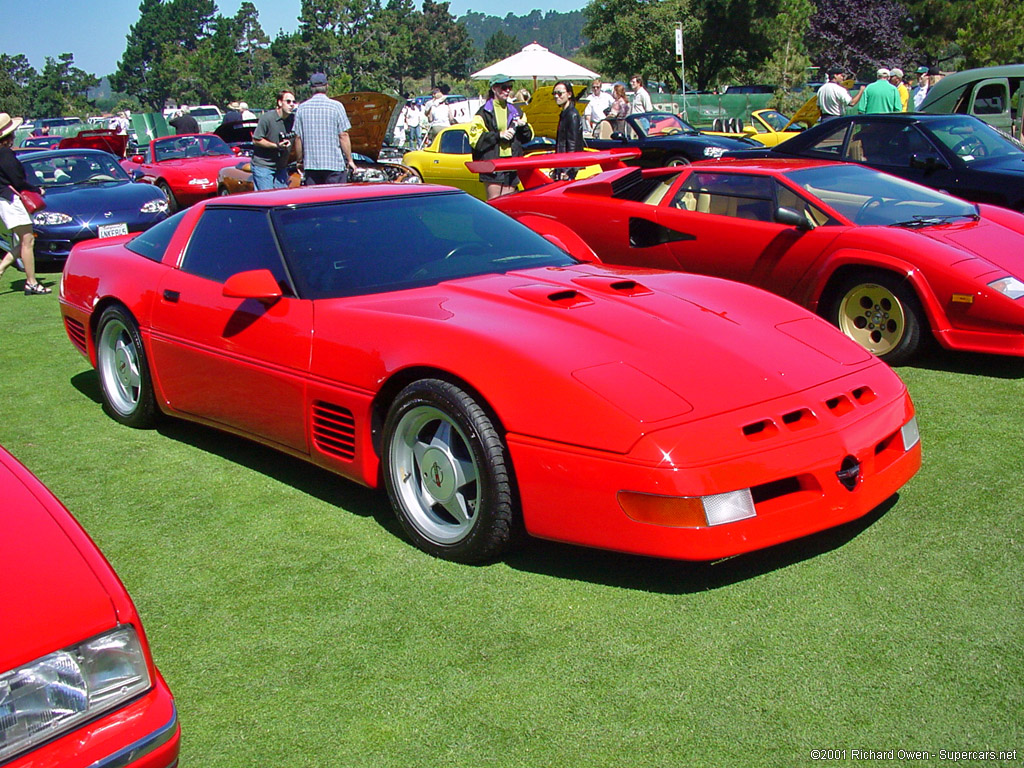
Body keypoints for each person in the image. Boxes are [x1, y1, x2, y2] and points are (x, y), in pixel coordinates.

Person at [0, 113, 50, 294]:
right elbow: (18, 180)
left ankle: (2, 268)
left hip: (5, 200)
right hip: (12, 200)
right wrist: (37, 189)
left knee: (24, 241)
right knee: (27, 241)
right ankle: (32, 282)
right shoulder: (5, 154)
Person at [468, 74, 533, 200]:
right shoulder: (483, 112)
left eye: (509, 87)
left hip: (512, 163)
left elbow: (528, 137)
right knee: (495, 204)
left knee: (509, 204)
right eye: (504, 87)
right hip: (493, 164)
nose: (507, 90)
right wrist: (498, 135)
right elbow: (476, 141)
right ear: (494, 89)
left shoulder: (516, 111)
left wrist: (523, 126)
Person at [293, 72, 356, 185]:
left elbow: (298, 138)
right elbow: (343, 135)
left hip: (311, 167)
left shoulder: (302, 108)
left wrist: (299, 161)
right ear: (327, 86)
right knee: (335, 201)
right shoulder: (336, 106)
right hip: (334, 166)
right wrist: (350, 160)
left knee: (315, 201)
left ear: (311, 88)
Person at [251, 90, 296, 190]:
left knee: (282, 198)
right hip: (264, 166)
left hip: (281, 167)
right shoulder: (267, 118)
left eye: (293, 102)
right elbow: (256, 140)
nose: (291, 105)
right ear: (280, 103)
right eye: (288, 101)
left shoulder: (293, 120)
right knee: (268, 199)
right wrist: (276, 146)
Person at [552, 81, 584, 180]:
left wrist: (567, 169)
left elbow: (572, 144)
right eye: (554, 93)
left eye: (560, 93)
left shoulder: (572, 115)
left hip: (568, 165)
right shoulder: (564, 113)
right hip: (562, 161)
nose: (556, 96)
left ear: (569, 94)